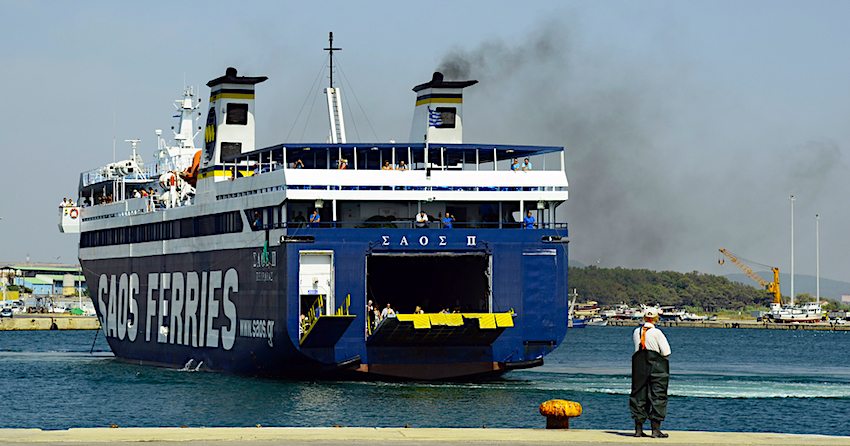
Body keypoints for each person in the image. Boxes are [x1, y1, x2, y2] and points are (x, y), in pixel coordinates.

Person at [630, 308, 671, 438]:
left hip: (640, 367)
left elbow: (637, 350)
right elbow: (666, 352)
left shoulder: (637, 331)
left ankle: (638, 430)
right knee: (658, 396)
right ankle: (655, 430)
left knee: (638, 395)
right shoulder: (657, 332)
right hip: (657, 367)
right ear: (656, 318)